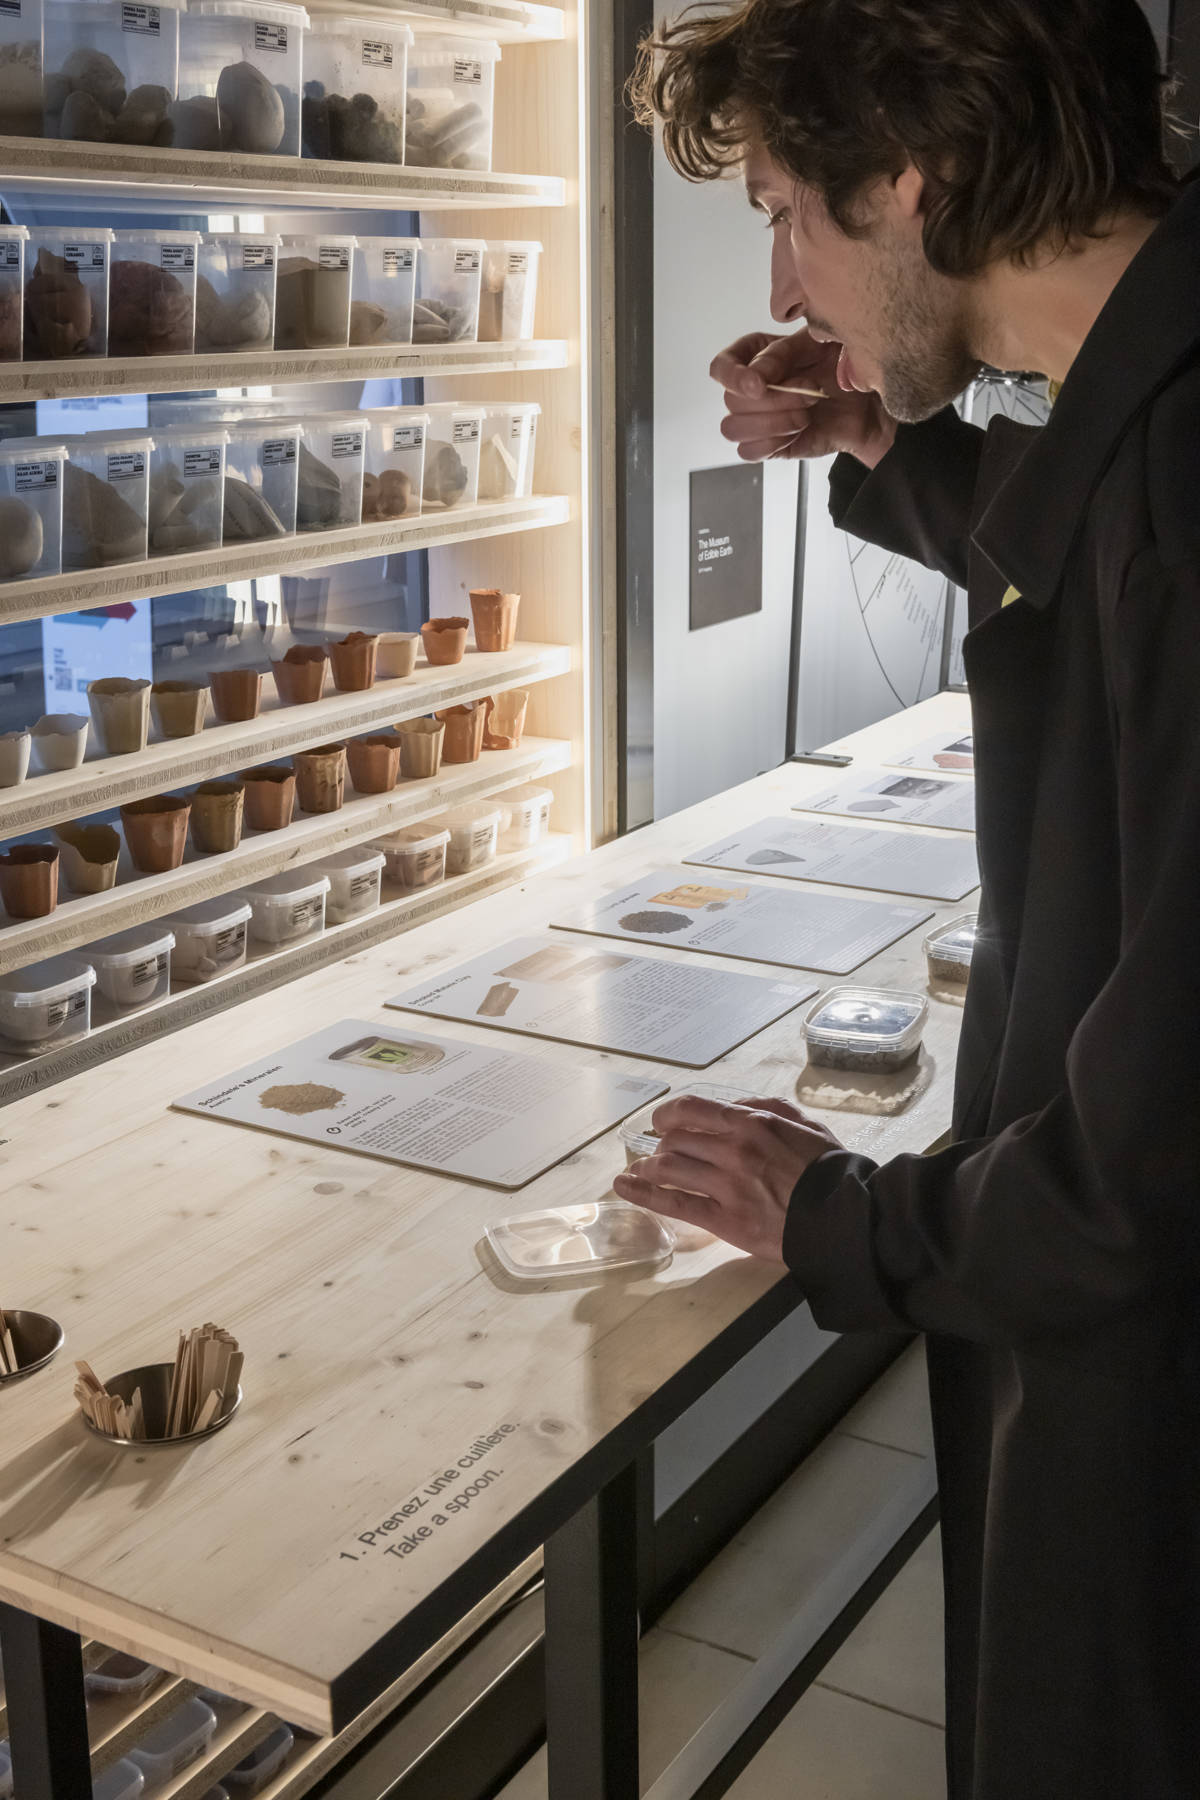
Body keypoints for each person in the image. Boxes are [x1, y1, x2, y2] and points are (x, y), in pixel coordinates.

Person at [615, 3, 1200, 1796]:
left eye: (792, 207)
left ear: (913, 179)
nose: (789, 286)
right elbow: (1076, 543)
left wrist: (847, 1219)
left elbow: (1153, 1165)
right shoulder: (1152, 391)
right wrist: (890, 446)